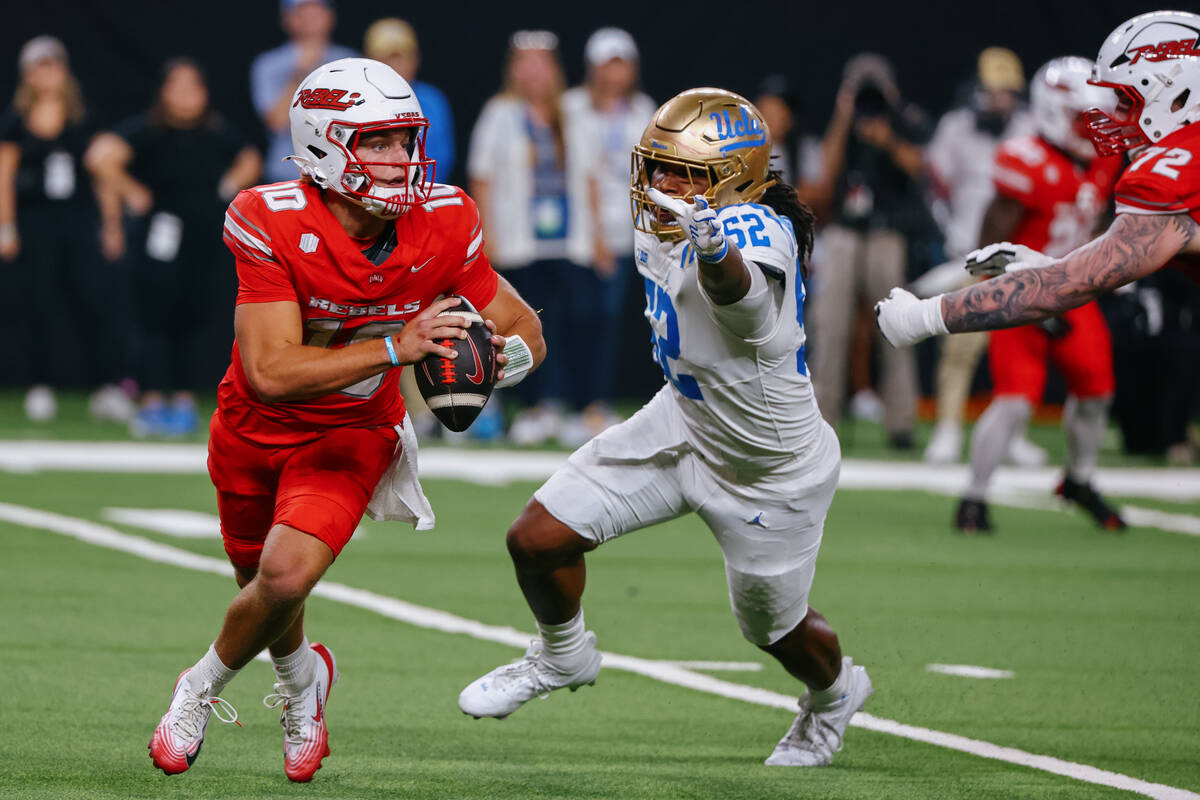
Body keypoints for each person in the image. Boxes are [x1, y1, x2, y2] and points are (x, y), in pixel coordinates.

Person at [147, 58, 544, 782]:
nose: (400, 161)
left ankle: (198, 686)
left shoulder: (446, 220)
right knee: (262, 591)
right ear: (324, 143)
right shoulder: (268, 216)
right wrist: (397, 345)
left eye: (405, 140)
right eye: (379, 143)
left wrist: (487, 362)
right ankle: (304, 682)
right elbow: (270, 372)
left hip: (350, 434)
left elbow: (525, 332)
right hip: (253, 427)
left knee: (286, 576)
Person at [458, 89, 873, 768]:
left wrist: (714, 254)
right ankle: (563, 656)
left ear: (736, 180)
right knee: (536, 538)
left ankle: (833, 697)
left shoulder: (752, 231)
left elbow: (748, 316)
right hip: (682, 419)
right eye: (657, 167)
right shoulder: (665, 220)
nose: (663, 185)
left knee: (777, 631)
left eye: (686, 173)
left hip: (767, 467)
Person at [876, 11, 1200, 471]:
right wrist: (1057, 264)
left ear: (1175, 89)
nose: (1114, 120)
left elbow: (1074, 281)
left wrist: (924, 315)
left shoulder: (1170, 170)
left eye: (1128, 101)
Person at [946, 57, 1125, 533]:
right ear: (1052, 111)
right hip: (1022, 295)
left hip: (1077, 291)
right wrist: (1025, 302)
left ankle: (1079, 479)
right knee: (1015, 401)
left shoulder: (1104, 157)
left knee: (1097, 393)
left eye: (1098, 117)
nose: (1093, 127)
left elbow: (1101, 224)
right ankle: (973, 499)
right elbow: (985, 251)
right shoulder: (1025, 159)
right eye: (1083, 117)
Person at [86, 58, 262, 436]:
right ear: (163, 92)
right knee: (155, 314)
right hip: (159, 236)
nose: (185, 95)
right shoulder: (147, 130)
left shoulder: (215, 132)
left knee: (193, 314)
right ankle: (150, 399)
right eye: (177, 87)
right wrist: (133, 192)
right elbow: (100, 157)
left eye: (193, 87)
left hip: (204, 236)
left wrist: (229, 184)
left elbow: (250, 156)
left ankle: (183, 400)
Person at [922, 47, 1046, 466]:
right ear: (976, 92)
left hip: (1015, 256)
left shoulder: (1033, 129)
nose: (999, 101)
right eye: (991, 92)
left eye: (1006, 92)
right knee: (960, 348)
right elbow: (935, 187)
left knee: (1019, 349)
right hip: (968, 255)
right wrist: (953, 236)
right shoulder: (955, 128)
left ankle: (1013, 434)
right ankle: (948, 429)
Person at [0, 36, 130, 422]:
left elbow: (102, 172)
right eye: (39, 66)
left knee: (92, 299)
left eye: (52, 65)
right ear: (27, 74)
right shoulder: (15, 120)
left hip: (78, 218)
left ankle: (107, 386)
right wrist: (6, 227)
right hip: (36, 220)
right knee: (38, 300)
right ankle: (40, 385)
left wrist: (112, 223)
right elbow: (4, 175)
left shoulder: (84, 116)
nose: (47, 73)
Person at [468, 30, 586, 444]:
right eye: (526, 62)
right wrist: (487, 235)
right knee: (520, 322)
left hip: (567, 240)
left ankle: (564, 407)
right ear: (514, 69)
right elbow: (481, 176)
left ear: (553, 69)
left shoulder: (571, 111)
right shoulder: (499, 113)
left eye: (542, 62)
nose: (534, 71)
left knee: (569, 324)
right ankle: (531, 408)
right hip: (519, 241)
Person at [807, 54, 926, 449]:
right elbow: (826, 170)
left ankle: (901, 424)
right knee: (830, 327)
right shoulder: (844, 122)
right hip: (843, 232)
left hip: (886, 233)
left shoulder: (904, 120)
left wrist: (887, 138)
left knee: (897, 325)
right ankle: (822, 422)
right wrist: (844, 116)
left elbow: (917, 166)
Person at [558, 27, 657, 445]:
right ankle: (571, 404)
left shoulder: (643, 109)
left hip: (630, 233)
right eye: (609, 63)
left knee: (610, 323)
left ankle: (594, 404)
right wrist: (595, 234)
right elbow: (578, 173)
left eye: (623, 63)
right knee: (575, 319)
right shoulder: (572, 106)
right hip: (578, 234)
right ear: (594, 67)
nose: (616, 72)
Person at [250, 0, 355, 183]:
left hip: (342, 171)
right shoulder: (268, 64)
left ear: (330, 16)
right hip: (288, 172)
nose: (310, 18)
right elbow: (277, 121)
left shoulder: (350, 62)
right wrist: (302, 71)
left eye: (317, 10)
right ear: (287, 19)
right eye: (302, 12)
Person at [363, 18, 455, 178]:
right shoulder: (358, 101)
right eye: (387, 58)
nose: (395, 66)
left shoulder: (433, 100)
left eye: (402, 57)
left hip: (423, 192)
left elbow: (442, 158)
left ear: (416, 59)